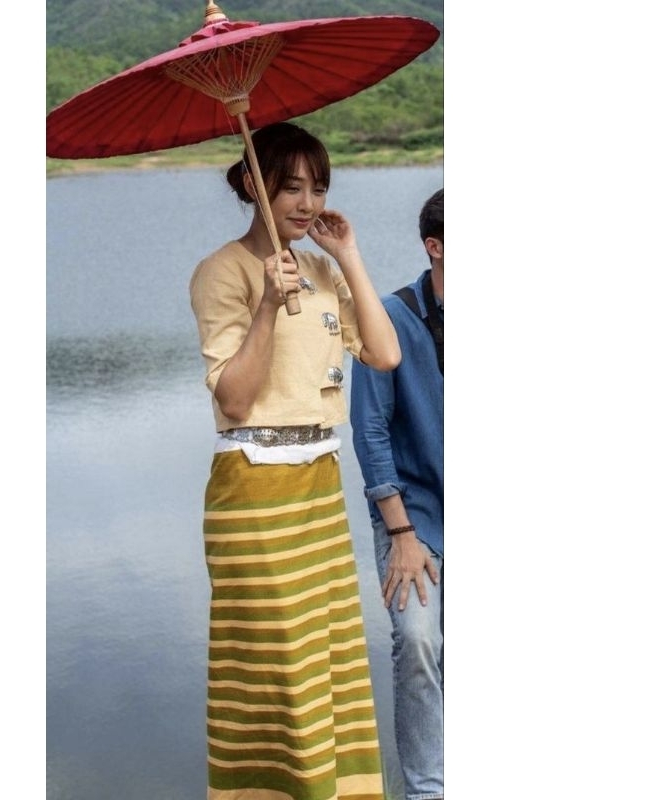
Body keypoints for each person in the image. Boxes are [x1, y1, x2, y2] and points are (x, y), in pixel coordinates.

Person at [189, 121, 401, 800]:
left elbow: (384, 354)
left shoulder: (320, 270)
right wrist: (266, 309)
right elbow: (235, 399)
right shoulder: (222, 271)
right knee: (273, 664)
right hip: (254, 487)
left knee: (327, 656)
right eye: (292, 187)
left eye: (319, 188)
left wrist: (349, 255)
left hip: (318, 484)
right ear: (255, 187)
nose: (309, 203)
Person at [350, 188, 444, 800]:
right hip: (414, 516)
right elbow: (370, 430)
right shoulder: (389, 316)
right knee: (416, 640)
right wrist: (402, 534)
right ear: (436, 247)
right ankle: (427, 791)